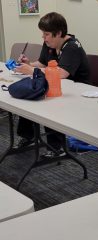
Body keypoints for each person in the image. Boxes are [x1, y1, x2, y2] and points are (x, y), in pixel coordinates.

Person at [15, 12, 90, 158]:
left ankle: (57, 147)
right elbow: (42, 63)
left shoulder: (72, 47)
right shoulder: (50, 43)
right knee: (29, 95)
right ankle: (29, 136)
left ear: (59, 33)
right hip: (60, 88)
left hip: (79, 93)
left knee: (46, 101)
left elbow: (61, 73)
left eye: (46, 34)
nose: (43, 37)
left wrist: (32, 70)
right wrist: (29, 64)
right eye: (43, 34)